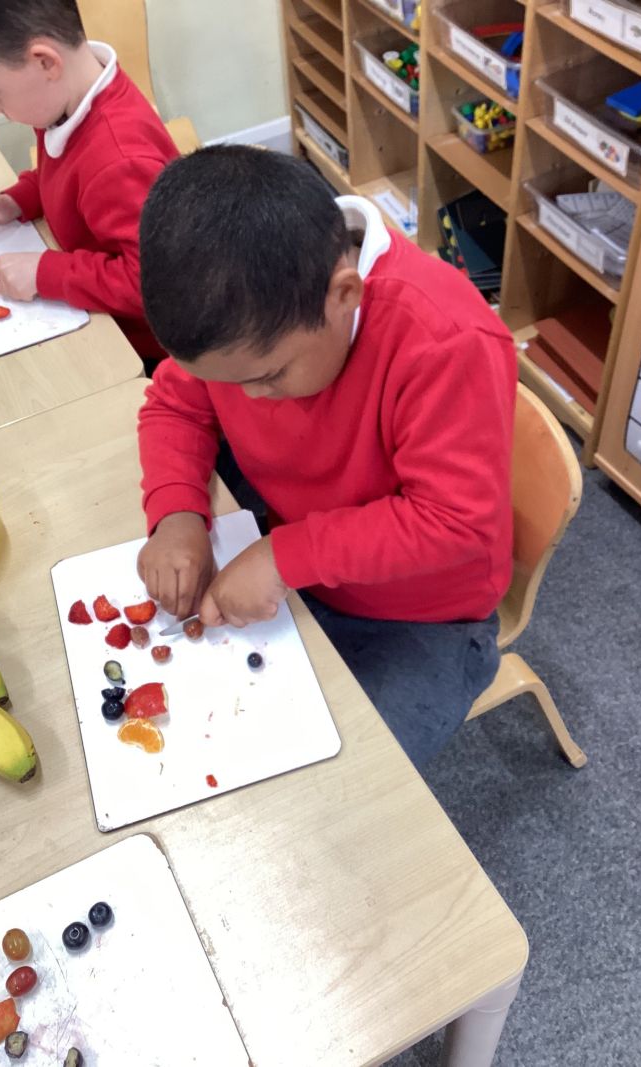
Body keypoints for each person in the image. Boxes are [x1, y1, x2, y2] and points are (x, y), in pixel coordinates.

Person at [136, 146, 517, 770]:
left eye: (267, 377)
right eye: (223, 381)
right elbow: (175, 406)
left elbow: (454, 522)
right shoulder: (246, 319)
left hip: (423, 618)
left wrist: (284, 557)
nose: (248, 399)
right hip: (303, 565)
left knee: (346, 788)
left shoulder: (443, 342)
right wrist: (177, 514)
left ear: (344, 295)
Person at [0, 0, 178, 367]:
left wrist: (45, 273)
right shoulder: (70, 101)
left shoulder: (120, 158)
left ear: (45, 62)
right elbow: (67, 173)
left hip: (149, 349)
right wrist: (16, 201)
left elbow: (157, 284)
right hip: (104, 316)